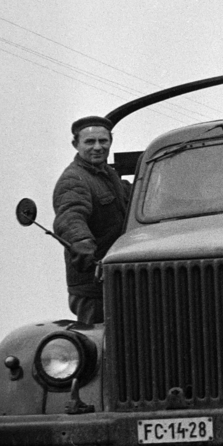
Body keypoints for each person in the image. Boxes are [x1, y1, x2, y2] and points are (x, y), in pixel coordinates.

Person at [52, 115, 132, 327]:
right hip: (93, 287)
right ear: (75, 144)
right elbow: (70, 217)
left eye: (103, 141)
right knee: (102, 345)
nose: (98, 147)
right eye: (90, 142)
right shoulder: (74, 179)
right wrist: (83, 245)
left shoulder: (108, 175)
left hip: (117, 278)